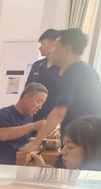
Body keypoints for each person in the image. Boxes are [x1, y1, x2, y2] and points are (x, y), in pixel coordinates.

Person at [20, 29, 101, 160]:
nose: (53, 51)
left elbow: (59, 113)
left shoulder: (74, 71)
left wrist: (35, 143)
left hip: (81, 143)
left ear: (67, 49)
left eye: (56, 46)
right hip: (85, 141)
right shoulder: (87, 70)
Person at [0, 82, 48, 165]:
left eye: (42, 103)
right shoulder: (4, 113)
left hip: (16, 163)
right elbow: (3, 135)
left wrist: (40, 141)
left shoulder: (28, 117)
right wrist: (33, 126)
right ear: (26, 97)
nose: (40, 106)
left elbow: (20, 139)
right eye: (39, 101)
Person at [26, 29, 60, 122]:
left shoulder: (62, 67)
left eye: (43, 44)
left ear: (54, 44)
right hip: (32, 114)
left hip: (51, 115)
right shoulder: (37, 65)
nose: (40, 47)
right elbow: (27, 88)